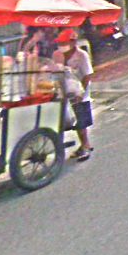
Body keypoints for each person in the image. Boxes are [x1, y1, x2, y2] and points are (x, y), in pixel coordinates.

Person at [52, 28, 94, 162]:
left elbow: (87, 75)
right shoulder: (56, 54)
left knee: (81, 122)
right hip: (63, 91)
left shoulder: (82, 55)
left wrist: (81, 93)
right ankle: (81, 145)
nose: (62, 46)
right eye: (60, 43)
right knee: (67, 121)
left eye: (64, 43)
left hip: (79, 92)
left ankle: (85, 146)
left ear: (73, 42)